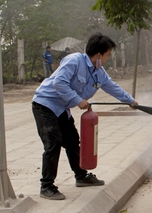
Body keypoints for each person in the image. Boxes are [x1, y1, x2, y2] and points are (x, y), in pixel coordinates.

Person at [32, 33, 138, 200]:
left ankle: (81, 176)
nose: (108, 59)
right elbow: (58, 83)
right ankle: (46, 186)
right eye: (108, 55)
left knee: (72, 141)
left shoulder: (99, 72)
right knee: (54, 142)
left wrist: (130, 101)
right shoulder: (74, 61)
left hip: (61, 109)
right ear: (98, 55)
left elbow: (112, 87)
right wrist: (77, 100)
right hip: (45, 104)